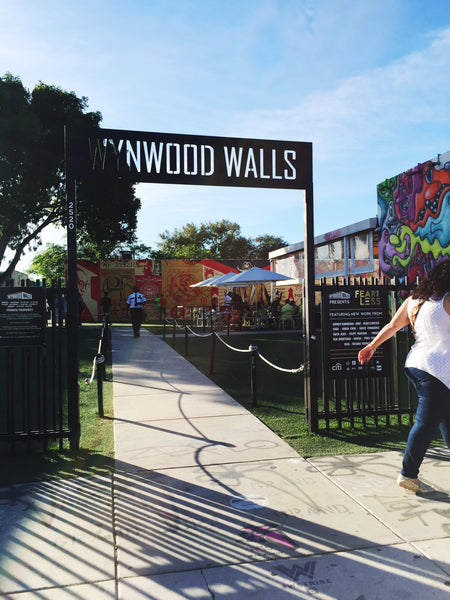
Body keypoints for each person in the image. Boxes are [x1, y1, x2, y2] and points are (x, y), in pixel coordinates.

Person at [358, 261, 450, 494]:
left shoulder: (414, 301)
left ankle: (409, 473)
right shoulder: (446, 300)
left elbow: (392, 326)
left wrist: (371, 345)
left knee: (445, 416)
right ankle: (408, 474)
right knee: (426, 422)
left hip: (417, 364)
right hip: (438, 369)